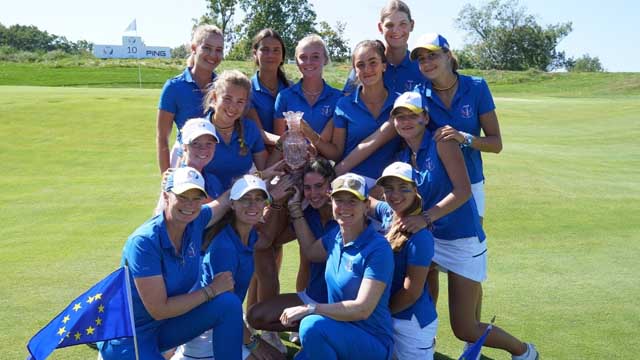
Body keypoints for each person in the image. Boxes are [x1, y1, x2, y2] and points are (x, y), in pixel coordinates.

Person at [391, 92, 538, 360]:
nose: (406, 121)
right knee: (423, 295)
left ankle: (524, 351)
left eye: (412, 115)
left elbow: (463, 191)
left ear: (425, 117)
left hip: (460, 239)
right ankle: (423, 345)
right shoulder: (403, 154)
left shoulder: (441, 143)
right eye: (400, 116)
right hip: (429, 239)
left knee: (465, 327)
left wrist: (424, 219)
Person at [98, 167, 243, 360]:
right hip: (130, 335)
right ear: (166, 196)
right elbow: (159, 309)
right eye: (182, 197)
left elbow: (224, 201)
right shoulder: (143, 242)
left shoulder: (195, 221)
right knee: (221, 296)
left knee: (229, 304)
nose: (190, 204)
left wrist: (259, 178)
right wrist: (212, 290)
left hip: (165, 326)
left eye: (196, 197)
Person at [280, 173, 395, 360]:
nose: (344, 207)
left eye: (352, 201)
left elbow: (362, 309)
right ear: (331, 203)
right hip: (336, 331)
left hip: (372, 341)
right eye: (339, 200)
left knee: (311, 325)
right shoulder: (334, 237)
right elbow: (310, 251)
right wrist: (294, 208)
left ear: (366, 206)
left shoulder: (378, 248)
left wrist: (311, 308)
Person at [171, 175, 286, 360]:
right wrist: (254, 344)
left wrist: (275, 202)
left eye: (258, 199)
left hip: (223, 320)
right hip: (206, 330)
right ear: (232, 204)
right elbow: (227, 306)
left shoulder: (249, 235)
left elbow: (267, 239)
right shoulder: (224, 248)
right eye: (245, 200)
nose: (252, 205)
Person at [411, 33, 502, 225]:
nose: (426, 63)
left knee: (471, 246)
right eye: (421, 59)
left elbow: (496, 144)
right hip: (435, 184)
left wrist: (464, 138)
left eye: (432, 55)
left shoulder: (477, 87)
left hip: (472, 179)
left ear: (447, 55)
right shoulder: (419, 94)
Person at [246, 157, 338, 338]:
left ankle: (323, 329)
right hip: (312, 297)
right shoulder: (307, 214)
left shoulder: (346, 213)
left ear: (331, 184)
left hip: (340, 302)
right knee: (256, 316)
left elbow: (313, 253)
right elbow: (268, 241)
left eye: (319, 186)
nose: (313, 193)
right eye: (308, 188)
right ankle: (309, 327)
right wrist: (280, 200)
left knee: (319, 331)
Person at [370, 162, 437, 360]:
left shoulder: (420, 237)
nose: (395, 195)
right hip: (390, 314)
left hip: (411, 323)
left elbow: (411, 292)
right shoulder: (389, 214)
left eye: (403, 188)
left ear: (415, 190)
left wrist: (378, 313)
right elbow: (365, 202)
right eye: (389, 188)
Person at [331, 40, 401, 188]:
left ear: (384, 66)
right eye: (360, 65)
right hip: (351, 184)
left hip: (390, 186)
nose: (367, 69)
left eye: (373, 62)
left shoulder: (400, 102)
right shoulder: (344, 105)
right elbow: (338, 152)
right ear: (355, 70)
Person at [157, 25, 224, 174]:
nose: (213, 55)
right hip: (186, 166)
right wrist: (166, 177)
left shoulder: (224, 88)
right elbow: (162, 138)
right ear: (194, 48)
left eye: (219, 50)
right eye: (207, 48)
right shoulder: (174, 87)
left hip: (220, 167)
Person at [271, 34, 343, 162]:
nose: (308, 62)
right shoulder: (284, 97)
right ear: (297, 62)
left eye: (315, 57)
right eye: (303, 57)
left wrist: (311, 138)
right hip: (291, 168)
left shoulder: (339, 99)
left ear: (325, 59)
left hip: (324, 171)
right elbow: (279, 145)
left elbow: (336, 154)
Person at [202, 70, 268, 190]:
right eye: (227, 99)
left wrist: (281, 145)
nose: (233, 107)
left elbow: (264, 170)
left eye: (240, 101)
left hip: (241, 203)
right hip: (203, 204)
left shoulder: (250, 129)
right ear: (215, 97)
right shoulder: (197, 129)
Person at [343, 0, 425, 95]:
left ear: (412, 25)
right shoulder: (366, 65)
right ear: (380, 28)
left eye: (403, 24)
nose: (396, 30)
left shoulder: (422, 66)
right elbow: (346, 100)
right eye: (389, 25)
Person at [246, 29, 291, 147]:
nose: (271, 55)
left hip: (289, 156)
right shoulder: (246, 89)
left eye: (276, 50)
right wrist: (287, 143)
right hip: (258, 157)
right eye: (265, 50)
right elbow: (258, 133)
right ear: (255, 54)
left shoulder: (292, 88)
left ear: (282, 56)